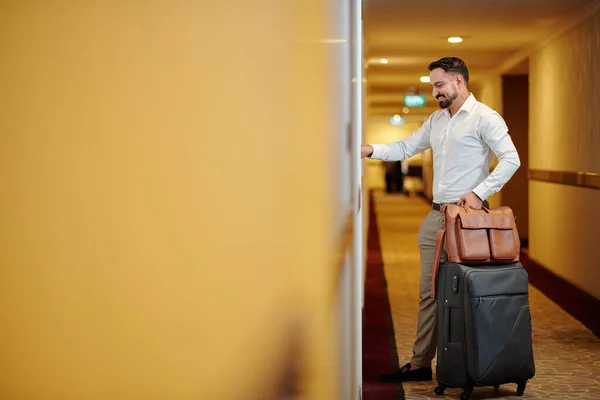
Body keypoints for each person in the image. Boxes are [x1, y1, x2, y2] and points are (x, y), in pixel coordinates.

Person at [361, 57, 520, 383]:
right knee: (430, 292)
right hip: (436, 217)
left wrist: (479, 192)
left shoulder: (484, 118)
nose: (435, 92)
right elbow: (406, 147)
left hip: (467, 221)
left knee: (469, 294)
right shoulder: (436, 120)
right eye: (433, 86)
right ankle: (420, 363)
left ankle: (473, 364)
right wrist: (369, 149)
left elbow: (511, 159)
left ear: (459, 82)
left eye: (439, 85)